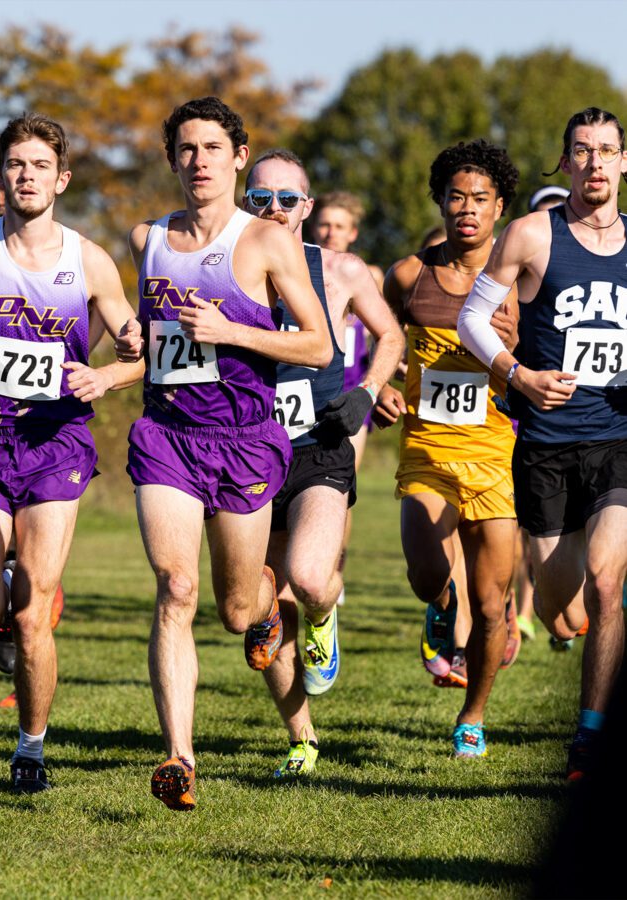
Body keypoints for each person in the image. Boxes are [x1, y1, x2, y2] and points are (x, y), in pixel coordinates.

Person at [0, 112, 143, 795]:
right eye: (16, 165)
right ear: (1, 176)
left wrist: (110, 369)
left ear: (61, 178)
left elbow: (140, 345)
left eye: (40, 166)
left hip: (56, 440)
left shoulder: (88, 259)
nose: (26, 176)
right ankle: (4, 591)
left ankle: (31, 748)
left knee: (35, 606)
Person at [116, 97, 331, 810]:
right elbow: (143, 333)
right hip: (168, 437)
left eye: (213, 148)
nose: (198, 161)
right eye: (186, 148)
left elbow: (318, 344)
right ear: (171, 159)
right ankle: (180, 757)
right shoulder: (145, 237)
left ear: (239, 157)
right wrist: (127, 344)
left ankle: (270, 606)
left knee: (238, 613)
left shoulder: (268, 242)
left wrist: (232, 332)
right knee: (176, 588)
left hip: (242, 441)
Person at [458, 107, 627, 778]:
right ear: (565, 161)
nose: (595, 163)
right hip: (547, 445)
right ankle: (577, 617)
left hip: (617, 438)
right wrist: (518, 375)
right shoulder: (532, 234)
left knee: (609, 583)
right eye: (582, 151)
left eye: (607, 150)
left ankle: (590, 737)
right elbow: (475, 316)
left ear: (624, 162)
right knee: (563, 617)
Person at [241, 150, 403, 778]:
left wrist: (364, 392)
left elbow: (389, 335)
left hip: (319, 443)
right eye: (261, 199)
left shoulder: (340, 269)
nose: (274, 210)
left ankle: (325, 610)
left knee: (308, 578)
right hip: (246, 448)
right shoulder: (224, 268)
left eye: (287, 199)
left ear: (307, 207)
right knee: (259, 609)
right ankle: (302, 738)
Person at [374, 139, 521, 758]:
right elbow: (377, 338)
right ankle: (440, 603)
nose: (467, 209)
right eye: (455, 197)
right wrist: (380, 383)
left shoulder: (520, 281)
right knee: (426, 572)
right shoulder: (409, 274)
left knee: (493, 606)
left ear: (499, 208)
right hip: (428, 449)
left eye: (480, 199)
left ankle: (473, 716)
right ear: (439, 201)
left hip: (496, 453)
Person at [308, 191, 384, 607]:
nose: (330, 231)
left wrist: (381, 384)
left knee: (340, 484)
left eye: (339, 225)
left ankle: (334, 565)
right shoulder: (297, 269)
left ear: (353, 232)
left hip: (351, 397)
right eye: (324, 223)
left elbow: (381, 335)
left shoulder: (365, 273)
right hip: (306, 392)